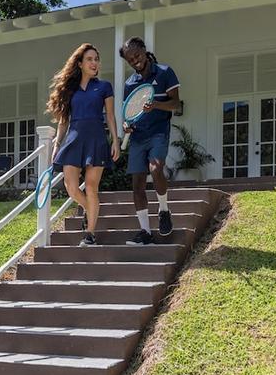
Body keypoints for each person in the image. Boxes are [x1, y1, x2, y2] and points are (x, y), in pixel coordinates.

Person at [47, 43, 120, 246]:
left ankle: (90, 234)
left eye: (96, 59)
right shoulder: (70, 90)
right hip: (74, 138)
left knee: (91, 187)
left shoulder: (104, 87)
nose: (94, 63)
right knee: (70, 186)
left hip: (96, 138)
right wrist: (57, 144)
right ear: (79, 63)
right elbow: (63, 120)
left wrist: (115, 140)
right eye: (89, 59)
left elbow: (111, 117)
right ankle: (90, 209)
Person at [120, 37, 180, 245]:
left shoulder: (164, 72)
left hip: (158, 132)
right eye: (129, 59)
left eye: (136, 55)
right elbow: (130, 114)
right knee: (137, 185)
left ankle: (163, 210)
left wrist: (155, 104)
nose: (134, 61)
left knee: (155, 169)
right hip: (138, 136)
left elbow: (175, 104)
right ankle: (145, 232)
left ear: (145, 51)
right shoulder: (130, 84)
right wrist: (127, 126)